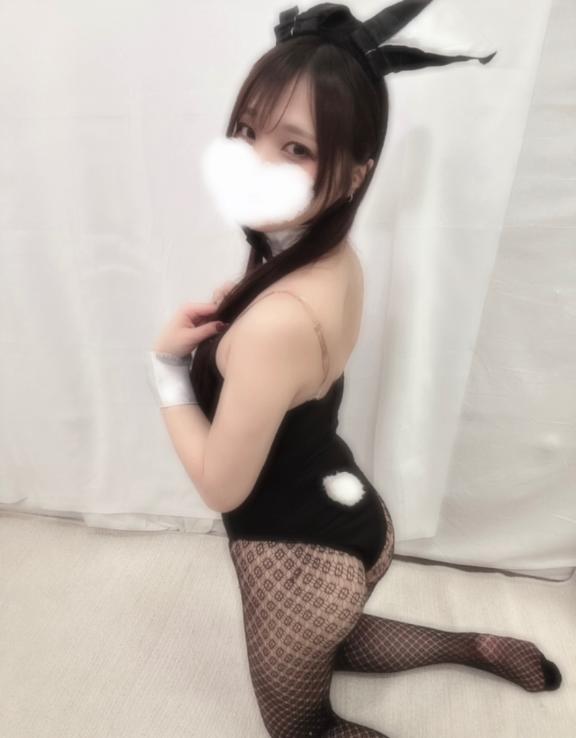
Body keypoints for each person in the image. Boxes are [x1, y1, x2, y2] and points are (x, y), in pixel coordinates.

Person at [151, 3, 561, 735]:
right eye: (247, 131)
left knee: (303, 728)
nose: (255, 162)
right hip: (350, 522)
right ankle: (472, 645)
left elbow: (221, 485)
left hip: (298, 561)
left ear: (355, 173)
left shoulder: (278, 318)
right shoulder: (332, 261)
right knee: (331, 638)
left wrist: (169, 372)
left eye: (296, 148)